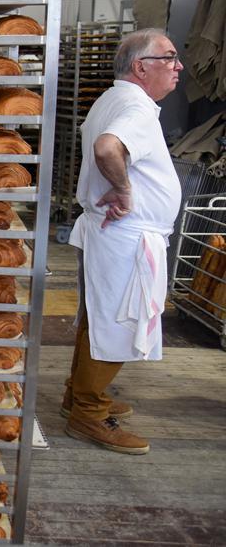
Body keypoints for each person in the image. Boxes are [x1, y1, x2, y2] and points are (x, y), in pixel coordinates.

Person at [64, 28, 184, 454]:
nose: (178, 66)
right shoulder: (135, 108)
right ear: (141, 67)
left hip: (111, 233)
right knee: (118, 323)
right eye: (169, 57)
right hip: (124, 235)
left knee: (99, 318)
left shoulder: (111, 99)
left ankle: (79, 395)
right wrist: (124, 190)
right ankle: (89, 413)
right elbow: (106, 148)